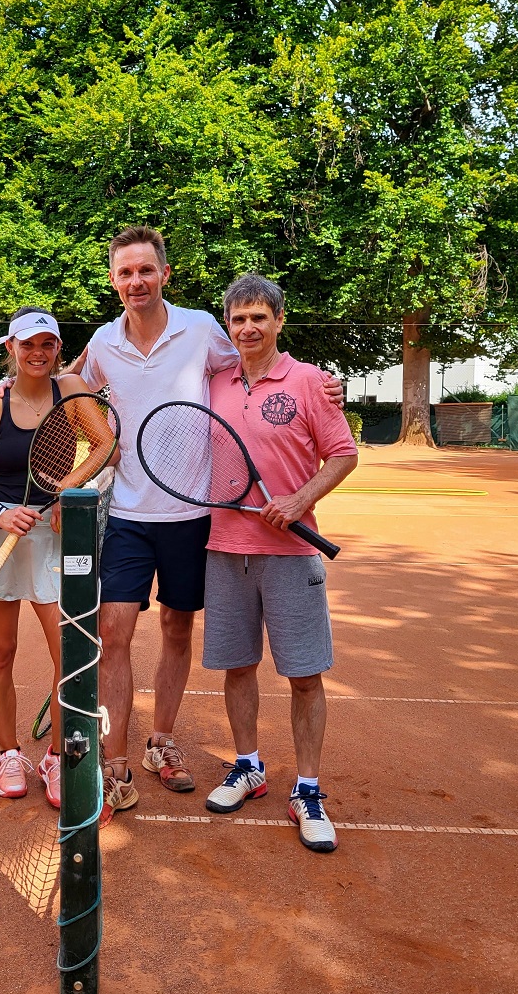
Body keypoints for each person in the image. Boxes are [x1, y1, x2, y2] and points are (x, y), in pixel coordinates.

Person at [76, 227, 344, 824]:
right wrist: (20, 379)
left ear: (164, 274)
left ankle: (161, 743)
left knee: (177, 629)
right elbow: (70, 382)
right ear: (114, 280)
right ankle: (113, 756)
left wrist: (325, 384)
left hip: (194, 515)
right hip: (127, 513)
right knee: (113, 632)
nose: (135, 282)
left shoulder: (202, 330)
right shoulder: (101, 340)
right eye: (124, 273)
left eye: (145, 270)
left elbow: (256, 365)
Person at [201, 273, 358, 853]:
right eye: (238, 319)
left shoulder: (313, 382)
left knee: (304, 675)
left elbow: (344, 454)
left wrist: (299, 501)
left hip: (292, 552)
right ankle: (248, 766)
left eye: (258, 318)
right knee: (237, 667)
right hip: (224, 550)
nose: (247, 328)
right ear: (229, 325)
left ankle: (308, 790)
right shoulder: (212, 381)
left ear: (279, 321)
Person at [0, 307, 117, 807]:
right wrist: (0, 512)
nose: (38, 353)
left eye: (47, 344)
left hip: (54, 532)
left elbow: (105, 444)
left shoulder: (71, 391)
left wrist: (69, 489)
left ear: (57, 349)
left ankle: (54, 758)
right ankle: (9, 753)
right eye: (28, 345)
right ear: (11, 347)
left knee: (67, 652)